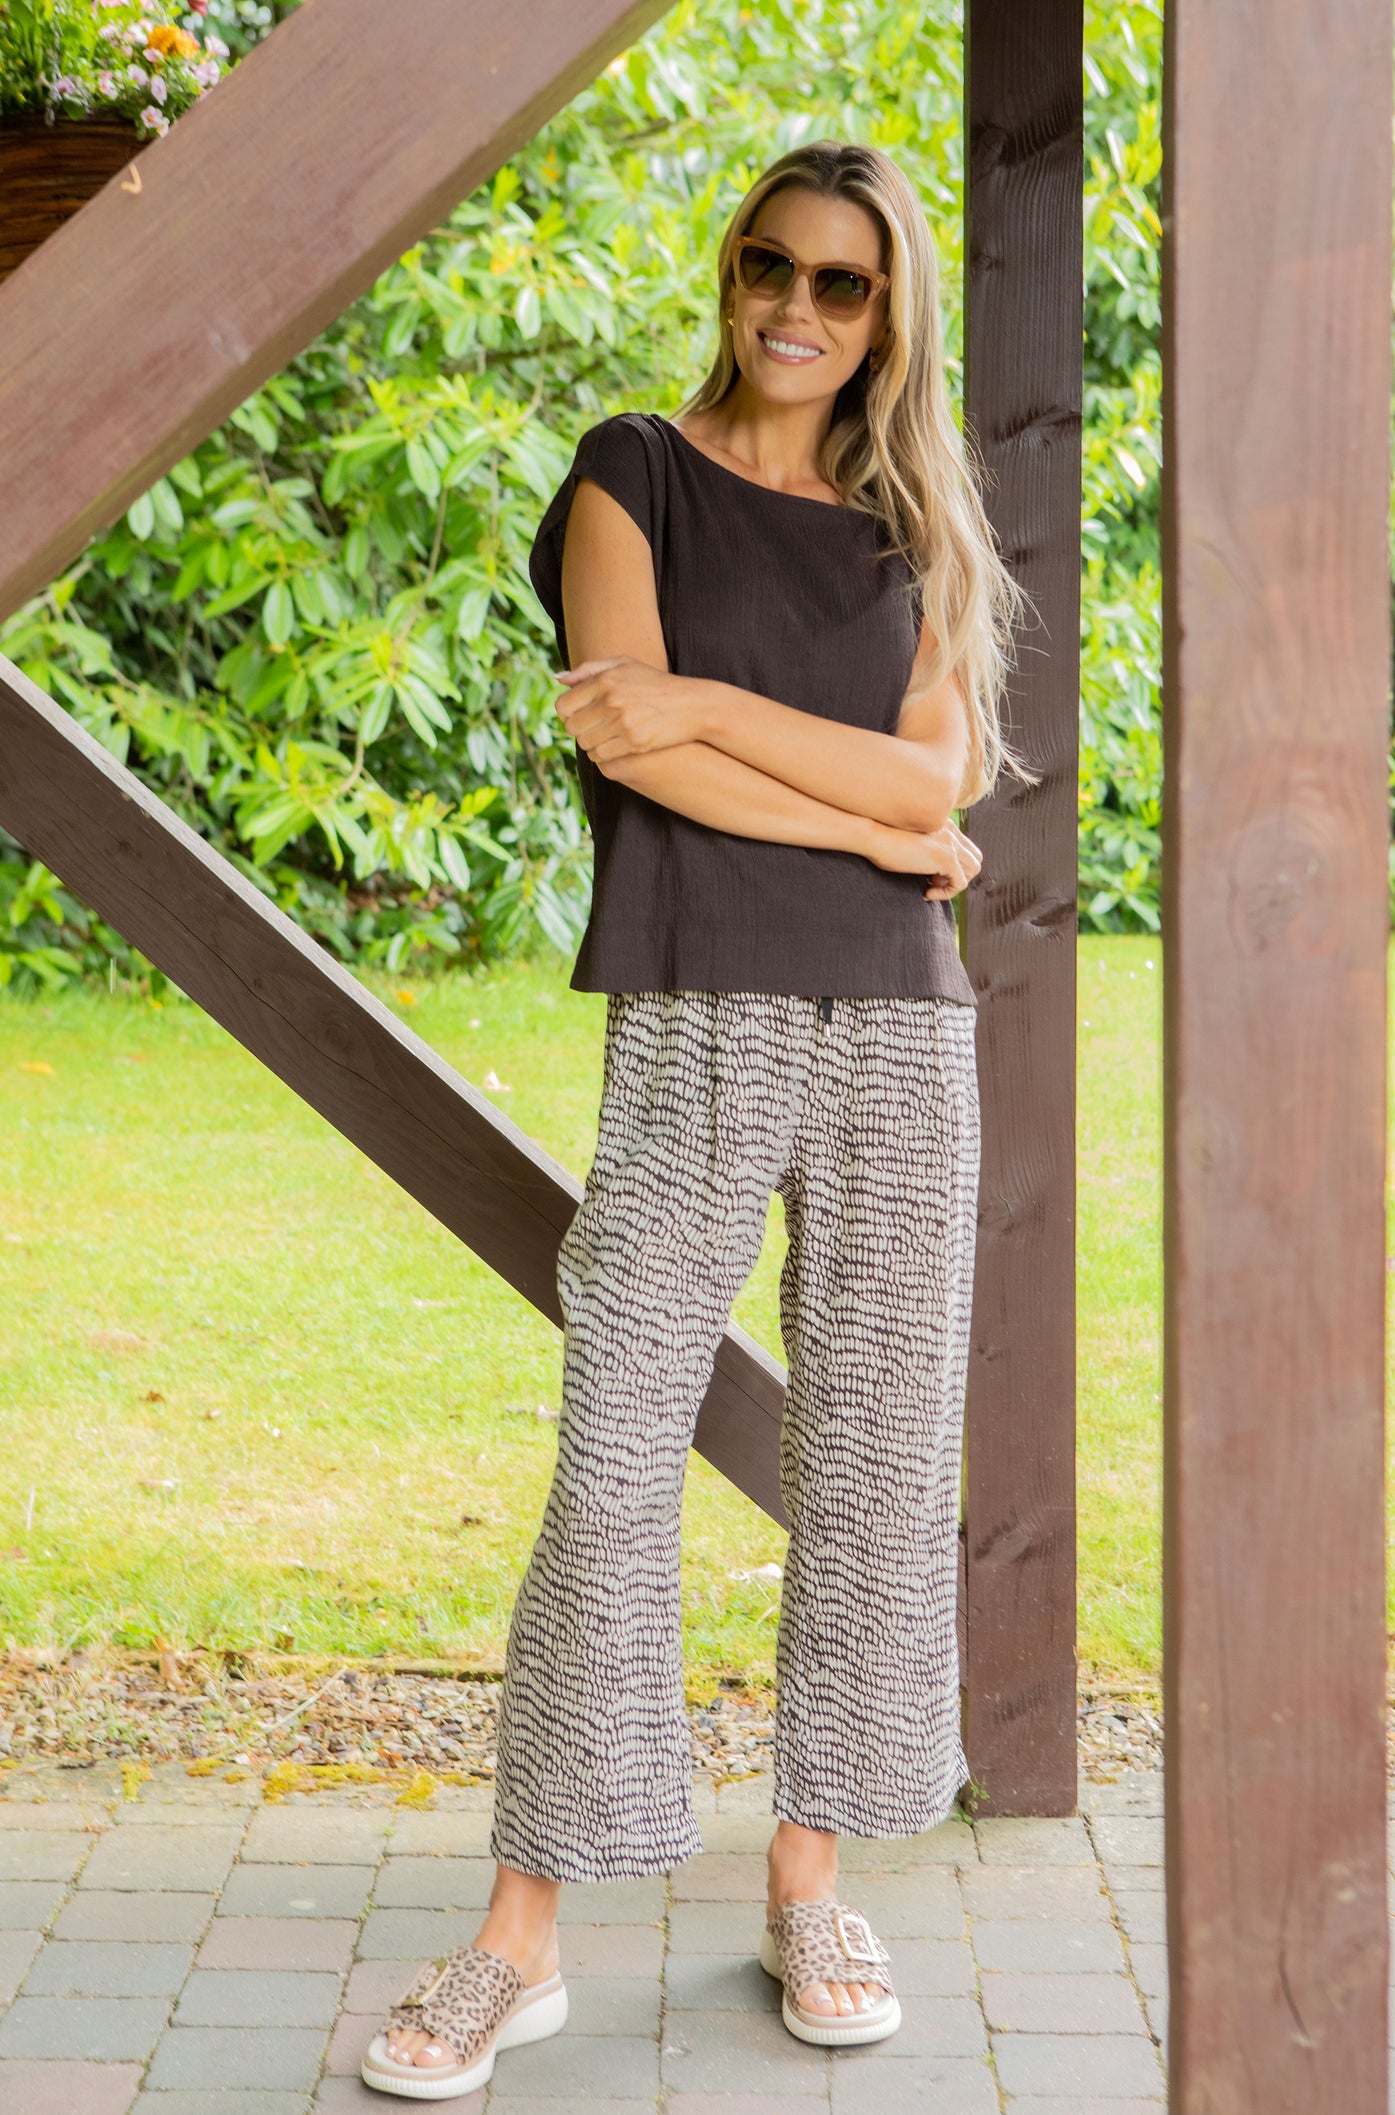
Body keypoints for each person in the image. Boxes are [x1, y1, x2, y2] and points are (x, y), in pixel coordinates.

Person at [362, 136, 1029, 2101]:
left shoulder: (918, 529)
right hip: (696, 1004)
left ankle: (810, 1884)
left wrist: (740, 730)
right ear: (731, 271)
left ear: (886, 316)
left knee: (879, 1456)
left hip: (901, 1029)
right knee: (614, 1445)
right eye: (770, 265)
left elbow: (911, 771)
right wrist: (876, 820)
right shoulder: (631, 471)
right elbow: (630, 729)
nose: (796, 308)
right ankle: (521, 1935)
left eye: (842, 283)